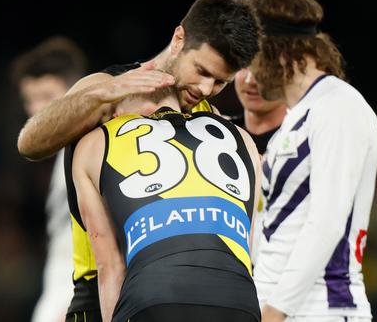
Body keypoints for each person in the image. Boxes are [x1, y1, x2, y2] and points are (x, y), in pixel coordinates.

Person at [246, 0, 377, 322]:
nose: (247, 74)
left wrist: (274, 313)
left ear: (277, 49)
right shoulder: (297, 119)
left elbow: (327, 220)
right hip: (275, 305)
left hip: (322, 308)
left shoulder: (339, 107)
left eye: (251, 55)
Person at [73, 85, 262, 322]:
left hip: (153, 296)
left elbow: (110, 268)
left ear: (118, 112)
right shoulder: (242, 138)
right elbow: (248, 250)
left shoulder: (95, 142)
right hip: (238, 299)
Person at [16, 0, 260, 161]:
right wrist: (103, 94)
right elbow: (29, 144)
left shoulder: (207, 116)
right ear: (178, 39)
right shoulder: (110, 88)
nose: (206, 89)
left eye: (220, 82)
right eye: (202, 71)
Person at [10, 36, 88, 322]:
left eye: (46, 97)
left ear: (76, 91)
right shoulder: (62, 154)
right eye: (29, 100)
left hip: (78, 292)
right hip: (60, 285)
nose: (35, 111)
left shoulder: (89, 147)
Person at [231, 68, 287, 154]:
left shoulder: (305, 142)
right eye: (245, 66)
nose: (250, 80)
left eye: (266, 67)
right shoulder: (217, 132)